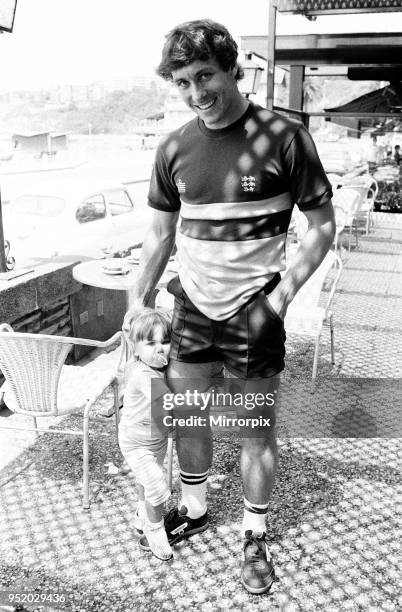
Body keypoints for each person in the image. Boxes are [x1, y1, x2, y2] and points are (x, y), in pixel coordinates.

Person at [124, 19, 335, 594]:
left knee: (253, 432)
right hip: (190, 310)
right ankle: (194, 508)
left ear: (230, 67)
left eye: (204, 76)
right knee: (187, 416)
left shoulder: (284, 137)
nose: (195, 93)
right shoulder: (174, 148)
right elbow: (160, 234)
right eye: (182, 82)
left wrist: (280, 301)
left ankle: (254, 535)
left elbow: (321, 226)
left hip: (254, 313)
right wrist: (135, 301)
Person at [118, 308, 173, 561]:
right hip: (136, 443)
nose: (159, 349)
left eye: (165, 341)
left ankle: (141, 513)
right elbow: (164, 401)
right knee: (158, 487)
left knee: (145, 480)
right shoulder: (143, 374)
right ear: (135, 347)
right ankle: (155, 529)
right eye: (151, 343)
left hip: (155, 441)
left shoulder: (155, 368)